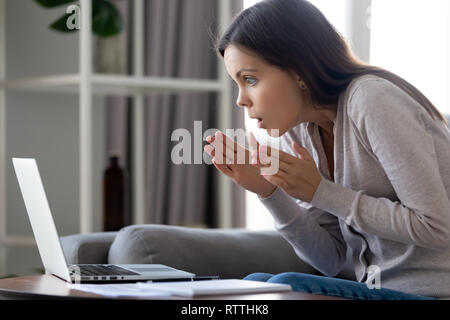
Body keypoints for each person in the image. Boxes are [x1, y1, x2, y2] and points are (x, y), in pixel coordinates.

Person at [203, 0, 450, 300]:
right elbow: (330, 260)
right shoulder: (299, 129)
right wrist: (268, 192)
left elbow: (437, 226)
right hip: (376, 291)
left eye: (250, 80)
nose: (241, 100)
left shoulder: (371, 99)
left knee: (283, 286)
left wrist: (321, 191)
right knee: (253, 285)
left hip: (435, 293)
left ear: (298, 70)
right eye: (237, 84)